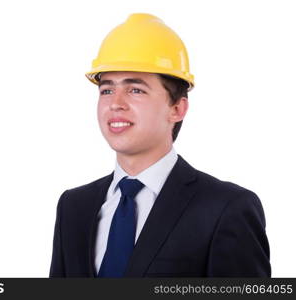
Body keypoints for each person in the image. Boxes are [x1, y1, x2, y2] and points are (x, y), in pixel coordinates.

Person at [49, 13, 270, 277]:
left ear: (177, 108)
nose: (115, 103)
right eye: (106, 90)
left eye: (135, 90)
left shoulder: (225, 209)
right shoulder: (73, 207)